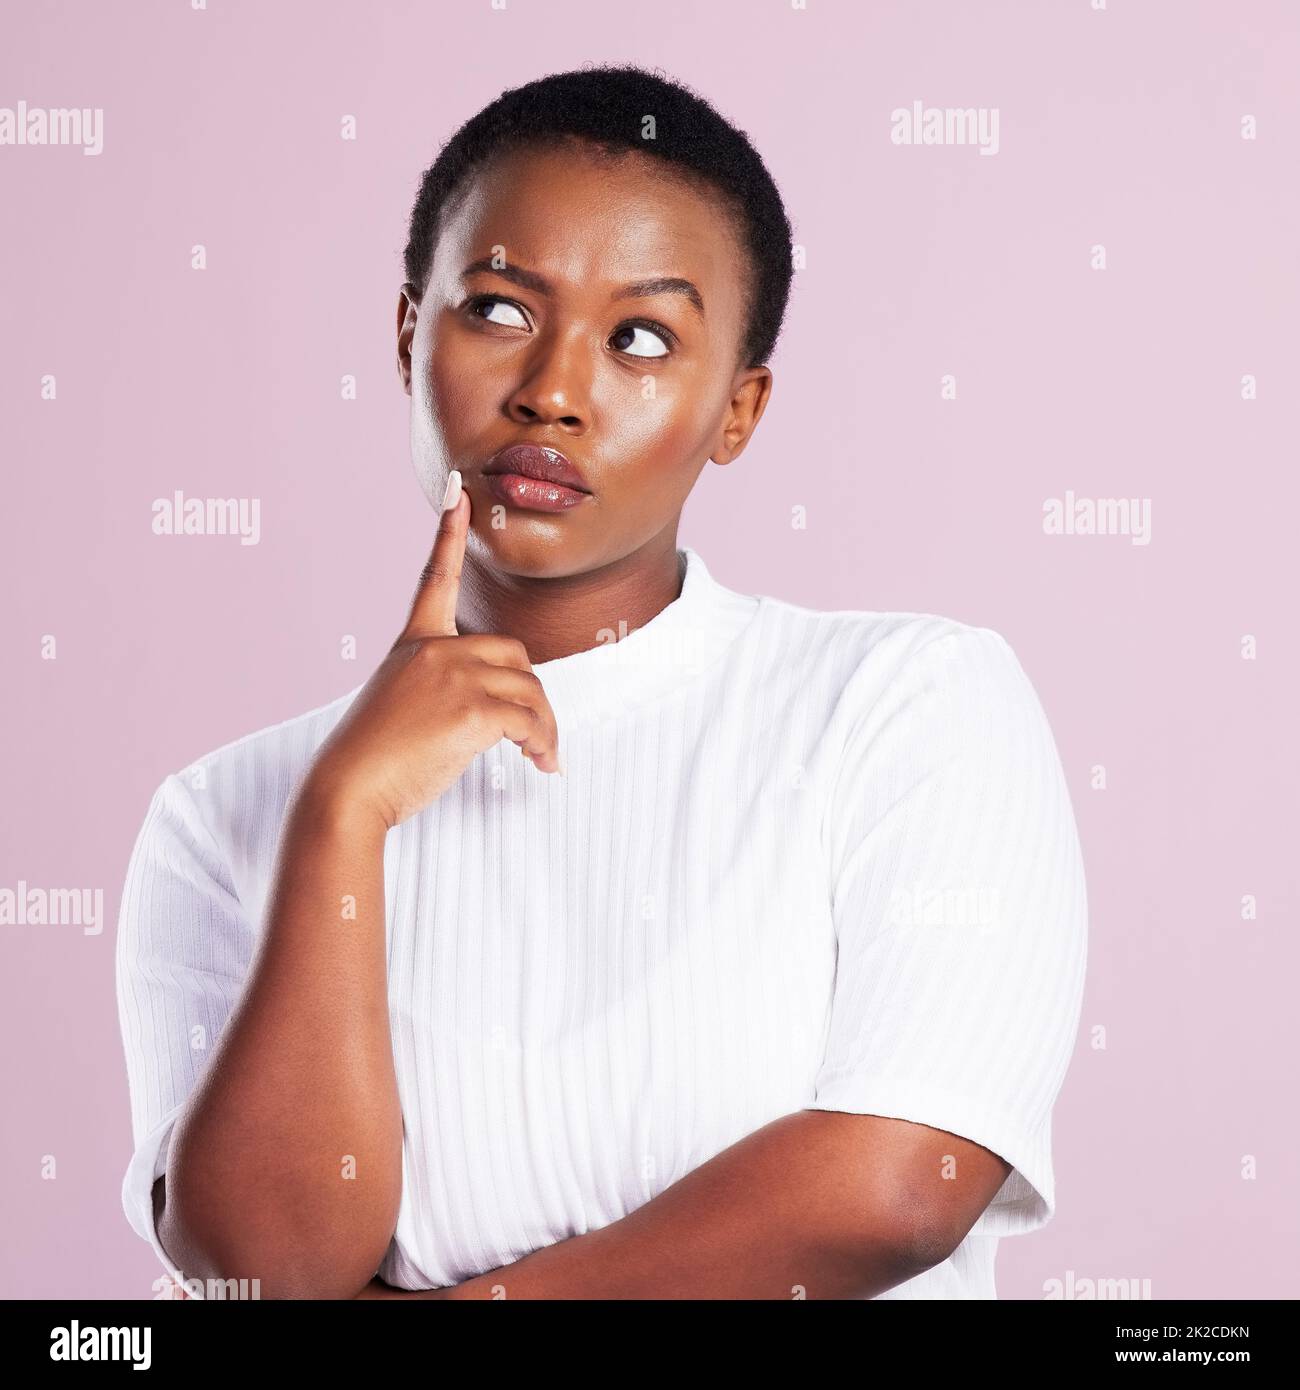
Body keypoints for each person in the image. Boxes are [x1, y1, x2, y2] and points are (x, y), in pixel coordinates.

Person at [115, 63, 1087, 1301]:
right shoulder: (223, 813)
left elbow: (900, 1182)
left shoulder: (906, 703)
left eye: (639, 339)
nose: (552, 392)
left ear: (737, 410)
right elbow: (268, 1276)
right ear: (410, 333)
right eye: (501, 310)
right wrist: (340, 817)